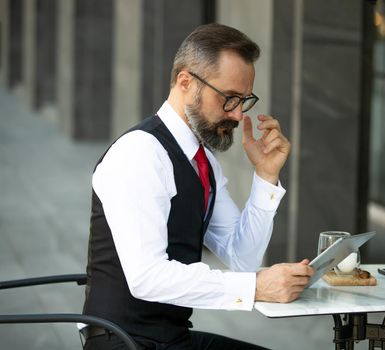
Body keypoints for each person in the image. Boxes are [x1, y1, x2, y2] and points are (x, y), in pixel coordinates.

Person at [82, 23, 314, 350]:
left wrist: (265, 176)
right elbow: (147, 277)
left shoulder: (202, 161)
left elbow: (242, 259)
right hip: (122, 341)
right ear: (186, 82)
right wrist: (256, 288)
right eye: (229, 99)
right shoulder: (140, 153)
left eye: (244, 101)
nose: (236, 115)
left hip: (170, 338)